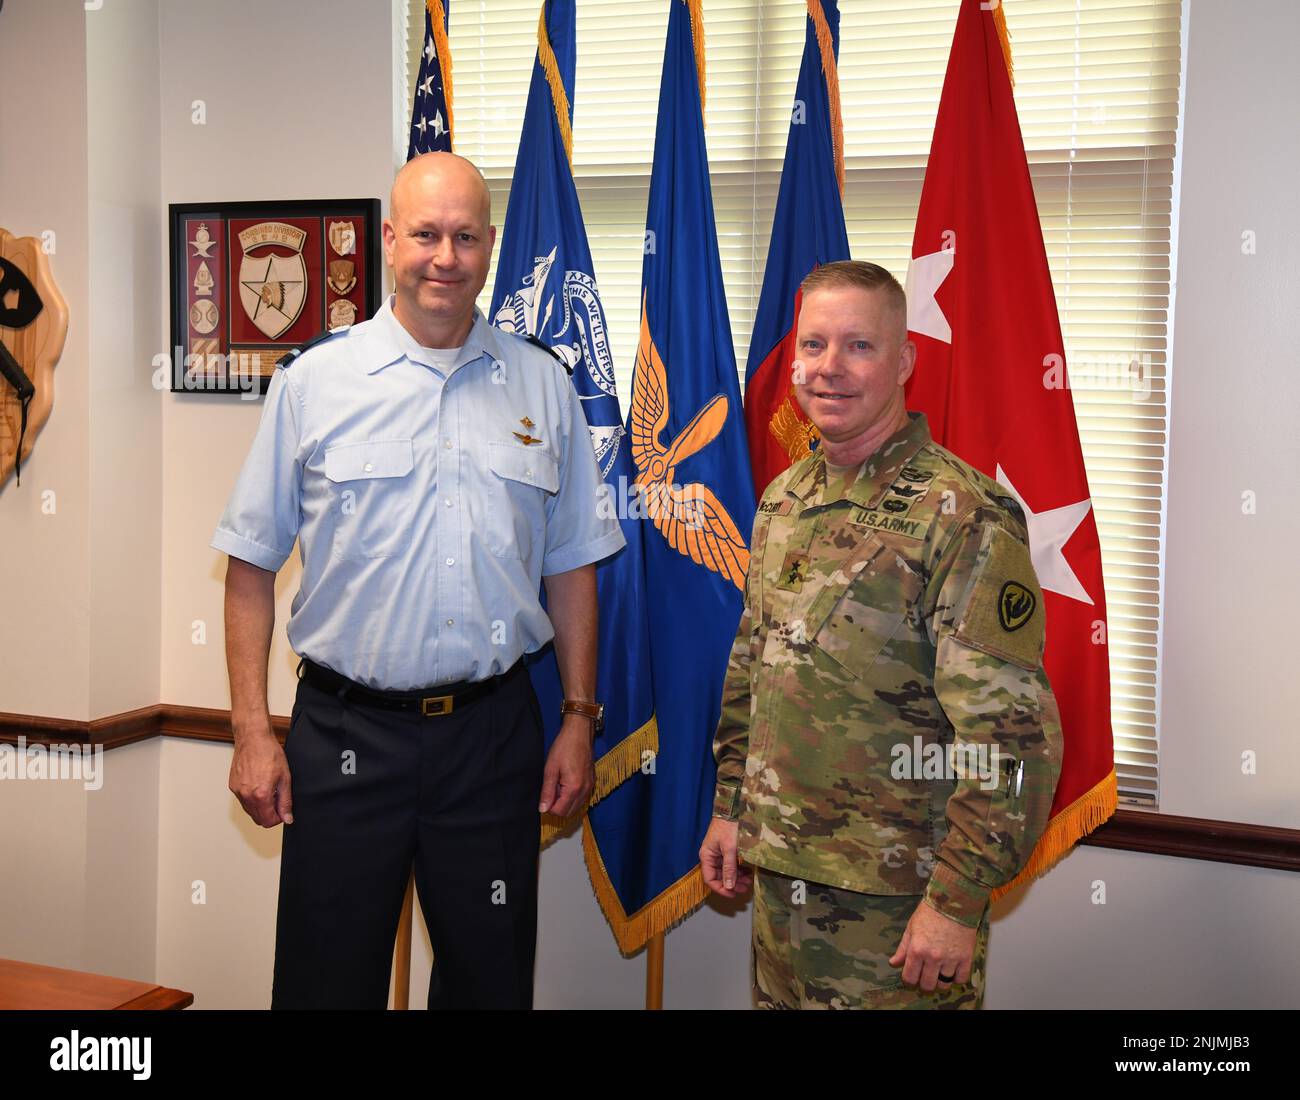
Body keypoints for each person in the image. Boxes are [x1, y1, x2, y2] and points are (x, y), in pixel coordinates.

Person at [213, 152, 624, 1009]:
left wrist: (580, 720)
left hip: (491, 739)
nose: (446, 256)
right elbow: (249, 565)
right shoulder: (313, 382)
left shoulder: (543, 384)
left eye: (465, 236)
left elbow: (572, 565)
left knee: (489, 983)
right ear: (390, 240)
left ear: (489, 246)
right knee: (326, 985)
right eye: (427, 234)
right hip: (344, 734)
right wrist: (252, 731)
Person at [699, 260, 1062, 1009]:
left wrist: (956, 900)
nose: (828, 369)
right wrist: (731, 807)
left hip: (900, 905)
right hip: (782, 882)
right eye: (813, 346)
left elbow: (1012, 735)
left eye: (858, 347)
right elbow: (753, 672)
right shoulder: (785, 498)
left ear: (903, 362)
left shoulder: (961, 512)